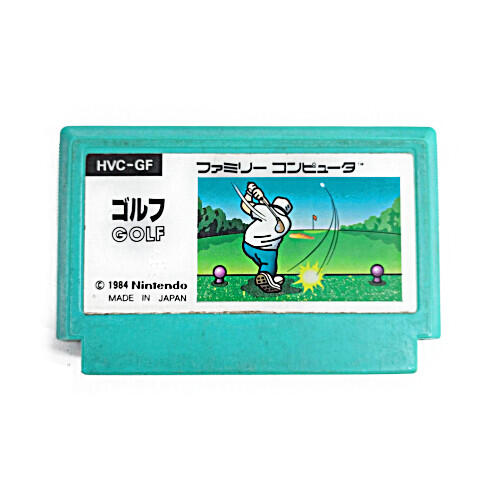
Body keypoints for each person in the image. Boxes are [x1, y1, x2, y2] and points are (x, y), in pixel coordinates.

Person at [239, 182, 293, 293]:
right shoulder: (287, 222)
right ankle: (267, 275)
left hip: (248, 246)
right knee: (268, 265)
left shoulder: (264, 209)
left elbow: (245, 206)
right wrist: (262, 198)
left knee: (264, 266)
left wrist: (249, 193)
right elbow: (271, 213)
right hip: (267, 251)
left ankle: (269, 277)